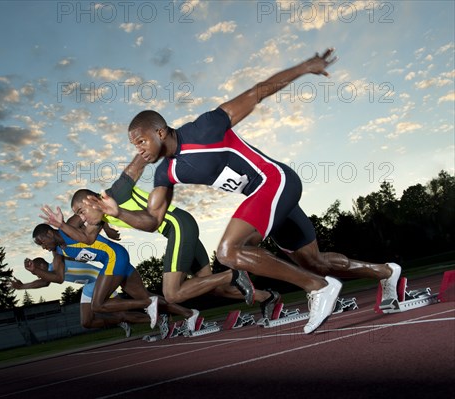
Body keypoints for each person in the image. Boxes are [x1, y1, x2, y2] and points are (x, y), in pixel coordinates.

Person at [85, 48, 401, 334]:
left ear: (160, 131)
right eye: (133, 146)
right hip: (268, 202)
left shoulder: (205, 127)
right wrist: (118, 212)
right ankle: (387, 272)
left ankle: (319, 289)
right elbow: (154, 220)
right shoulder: (165, 173)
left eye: (141, 141)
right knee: (314, 261)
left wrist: (306, 66)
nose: (138, 150)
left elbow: (256, 93)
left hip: (275, 182)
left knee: (228, 251)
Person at [40, 154, 282, 320]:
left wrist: (148, 148)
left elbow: (135, 166)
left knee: (172, 293)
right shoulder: (101, 218)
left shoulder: (116, 193)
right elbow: (88, 240)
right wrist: (61, 224)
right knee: (212, 287)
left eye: (81, 212)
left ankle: (234, 273)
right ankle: (268, 296)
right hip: (179, 229)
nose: (82, 218)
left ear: (92, 201)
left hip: (178, 225)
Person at [31, 223, 200, 335]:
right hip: (115, 260)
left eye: (42, 242)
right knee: (144, 295)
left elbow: (92, 213)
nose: (43, 247)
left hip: (113, 258)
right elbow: (59, 278)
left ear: (49, 233)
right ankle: (190, 313)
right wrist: (35, 272)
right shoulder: (58, 252)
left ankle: (149, 304)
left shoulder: (68, 227)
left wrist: (107, 227)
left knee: (98, 304)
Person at [11, 257, 144, 337]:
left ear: (41, 265)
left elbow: (45, 282)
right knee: (87, 322)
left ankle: (157, 317)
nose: (38, 275)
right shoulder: (51, 272)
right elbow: (45, 281)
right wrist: (22, 287)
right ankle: (120, 321)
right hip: (92, 286)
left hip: (100, 280)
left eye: (38, 272)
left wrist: (23, 286)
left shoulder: (57, 264)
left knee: (122, 313)